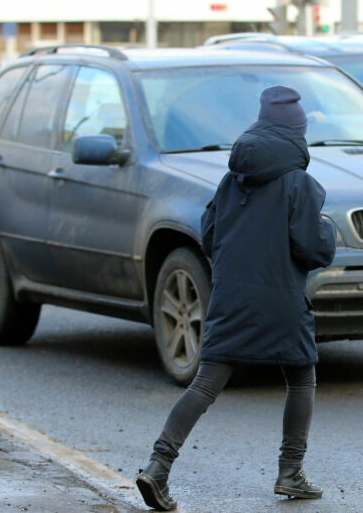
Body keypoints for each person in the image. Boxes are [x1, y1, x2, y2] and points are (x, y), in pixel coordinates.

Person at [136, 86, 336, 511]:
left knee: (205, 384)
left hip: (229, 297)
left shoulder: (230, 181)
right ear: (296, 134)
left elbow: (208, 236)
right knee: (301, 378)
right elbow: (313, 249)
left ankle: (157, 467)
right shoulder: (300, 183)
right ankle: (289, 473)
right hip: (281, 299)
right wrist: (328, 231)